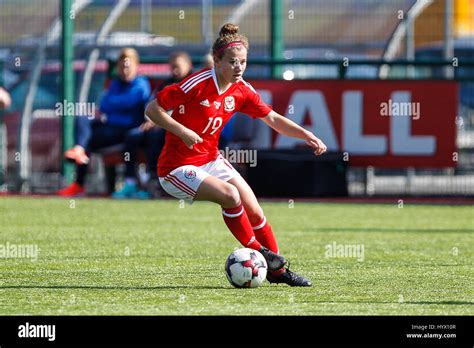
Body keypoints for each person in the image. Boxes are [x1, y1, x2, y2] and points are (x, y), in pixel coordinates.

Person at [145, 24, 327, 287]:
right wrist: (182, 131)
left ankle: (278, 272)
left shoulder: (242, 89)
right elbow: (153, 109)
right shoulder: (197, 83)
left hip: (210, 159)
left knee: (254, 209)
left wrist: (306, 135)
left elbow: (273, 119)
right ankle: (262, 253)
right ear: (216, 61)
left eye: (243, 62)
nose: (239, 67)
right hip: (176, 169)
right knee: (230, 196)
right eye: (232, 62)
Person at [58, 48, 151, 196]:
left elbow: (127, 102)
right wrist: (116, 104)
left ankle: (80, 180)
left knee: (88, 139)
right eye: (121, 66)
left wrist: (115, 104)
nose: (124, 70)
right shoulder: (115, 83)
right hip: (110, 127)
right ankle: (79, 153)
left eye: (128, 66)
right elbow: (104, 105)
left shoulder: (141, 83)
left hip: (127, 130)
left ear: (136, 66)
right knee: (83, 120)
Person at [112, 51, 194, 199]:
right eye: (172, 66)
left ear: (188, 66)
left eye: (177, 66)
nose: (174, 70)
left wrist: (162, 121)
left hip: (177, 131)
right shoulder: (166, 84)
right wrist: (151, 119)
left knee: (154, 137)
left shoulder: (193, 85)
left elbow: (188, 111)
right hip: (155, 126)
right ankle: (130, 182)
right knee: (132, 136)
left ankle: (153, 181)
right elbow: (151, 105)